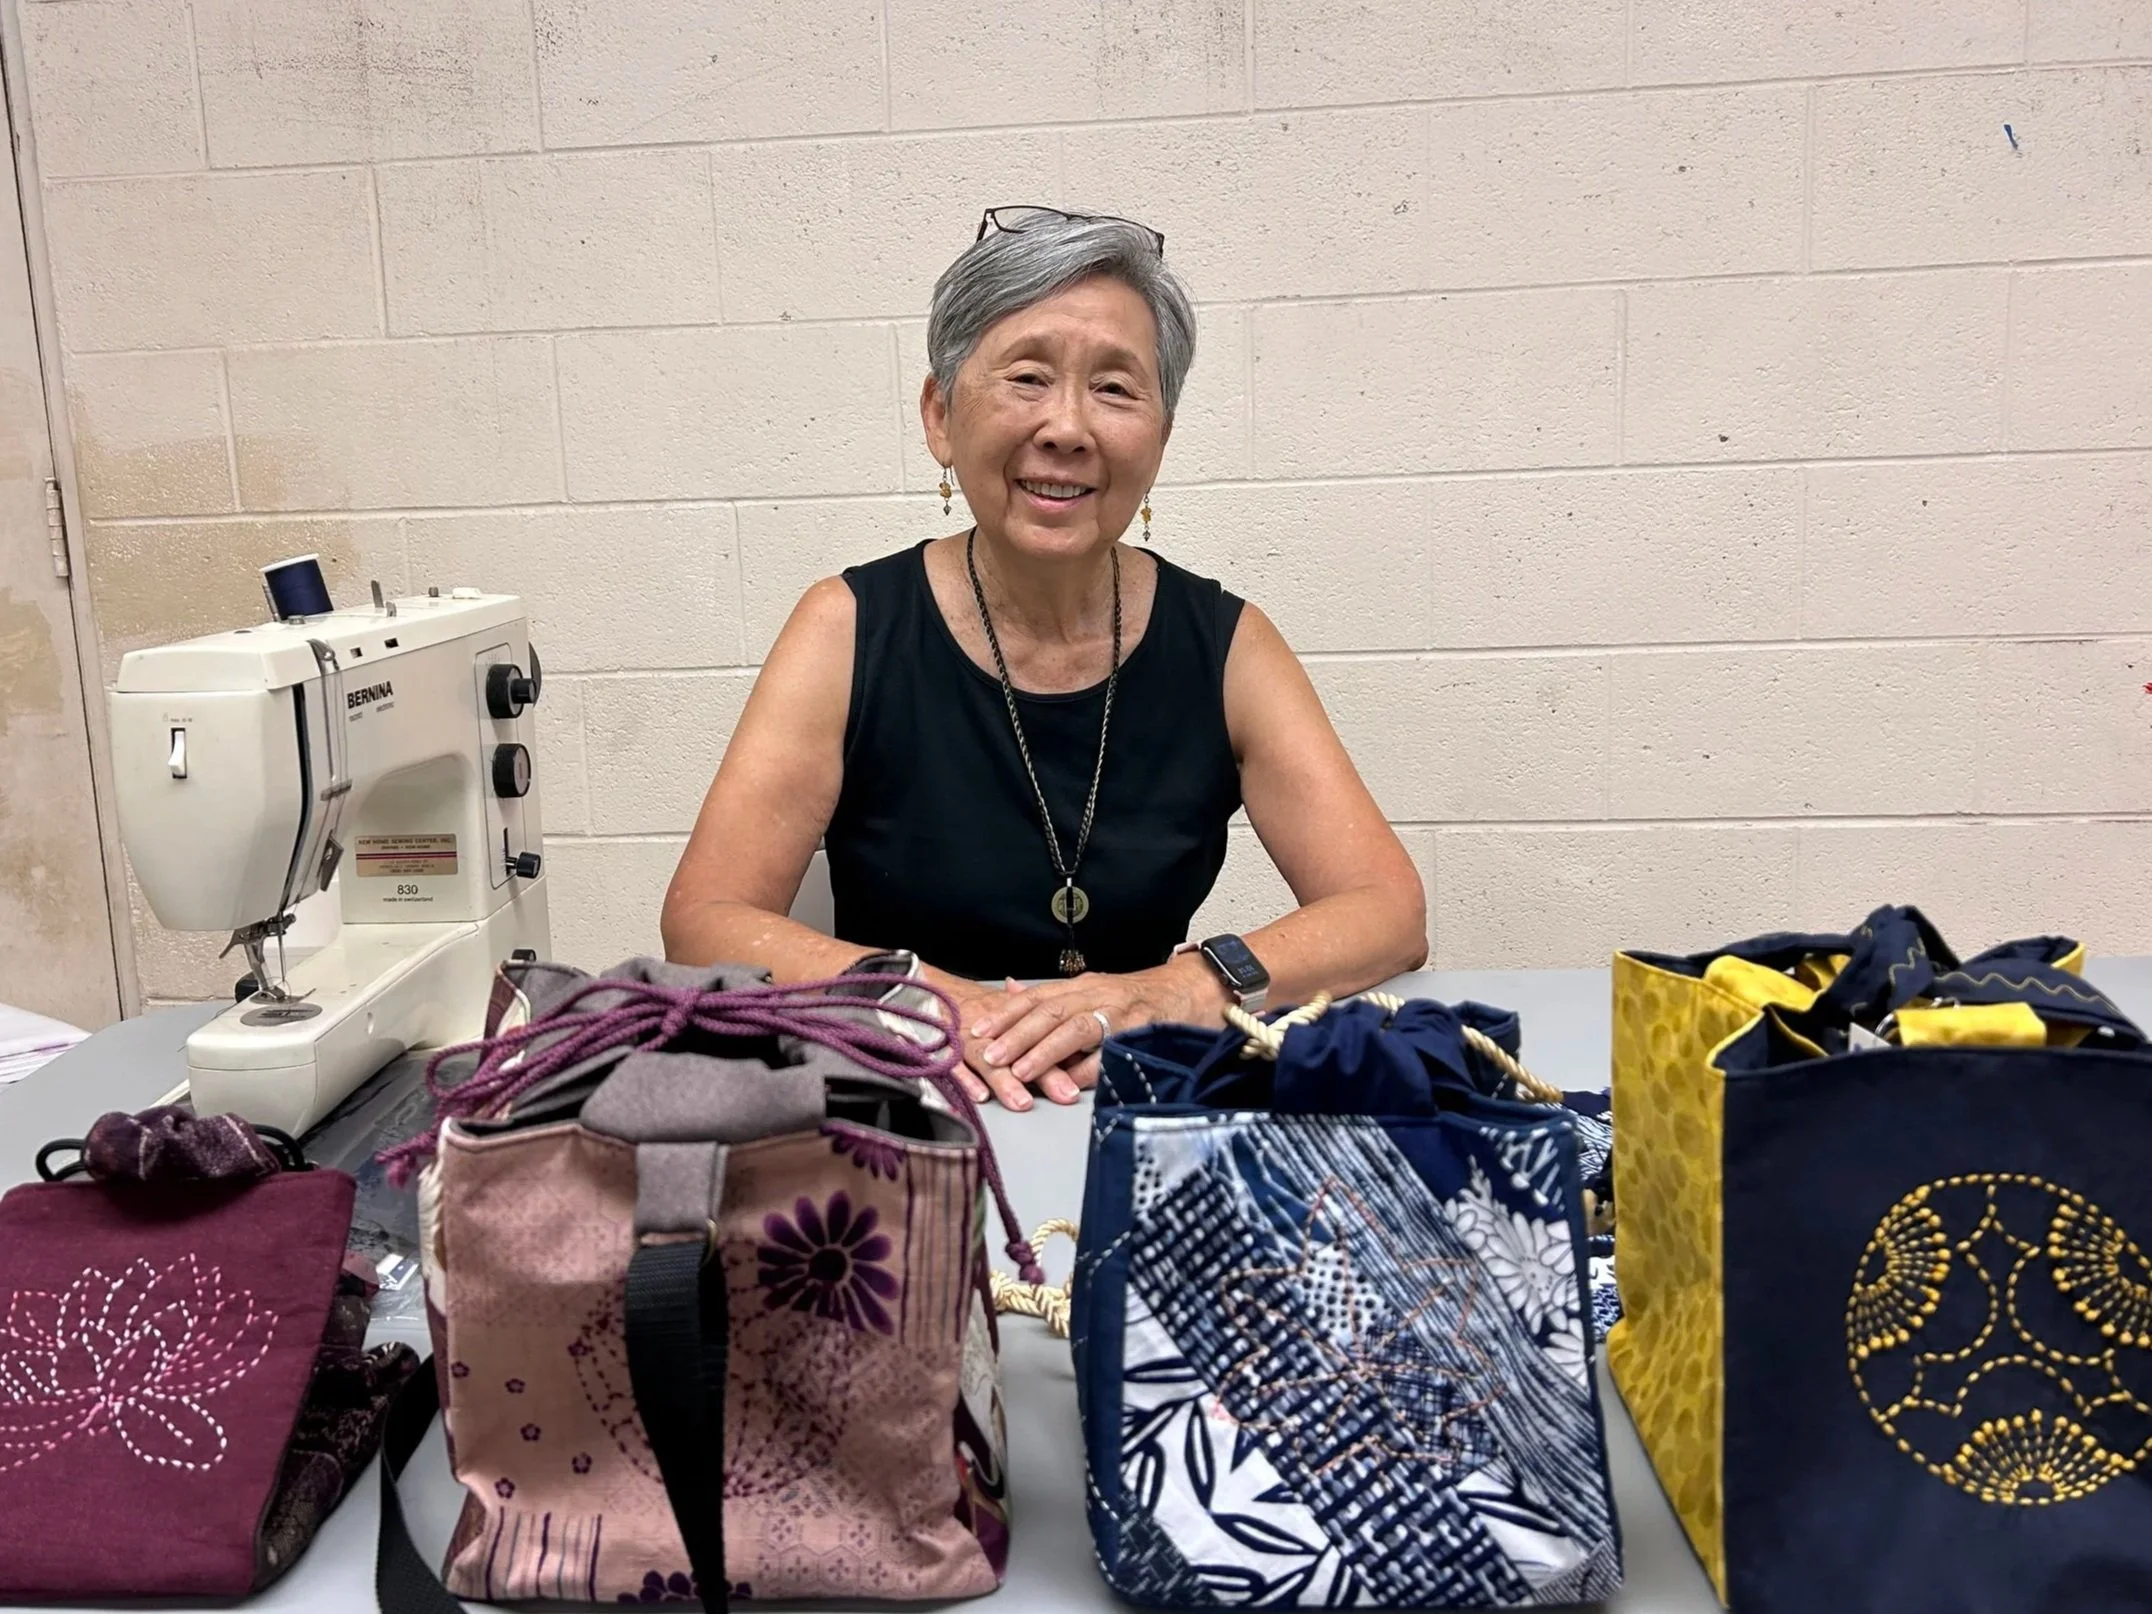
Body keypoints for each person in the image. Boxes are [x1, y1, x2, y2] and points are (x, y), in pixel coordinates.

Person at [662, 207, 1426, 1110]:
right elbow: (703, 919)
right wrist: (912, 995)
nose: (1067, 426)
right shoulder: (846, 628)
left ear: (1161, 437)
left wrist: (1184, 987)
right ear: (941, 416)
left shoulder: (1227, 645)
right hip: (910, 1100)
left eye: (1115, 387)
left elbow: (1388, 910)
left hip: (1133, 1097)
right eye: (1027, 377)